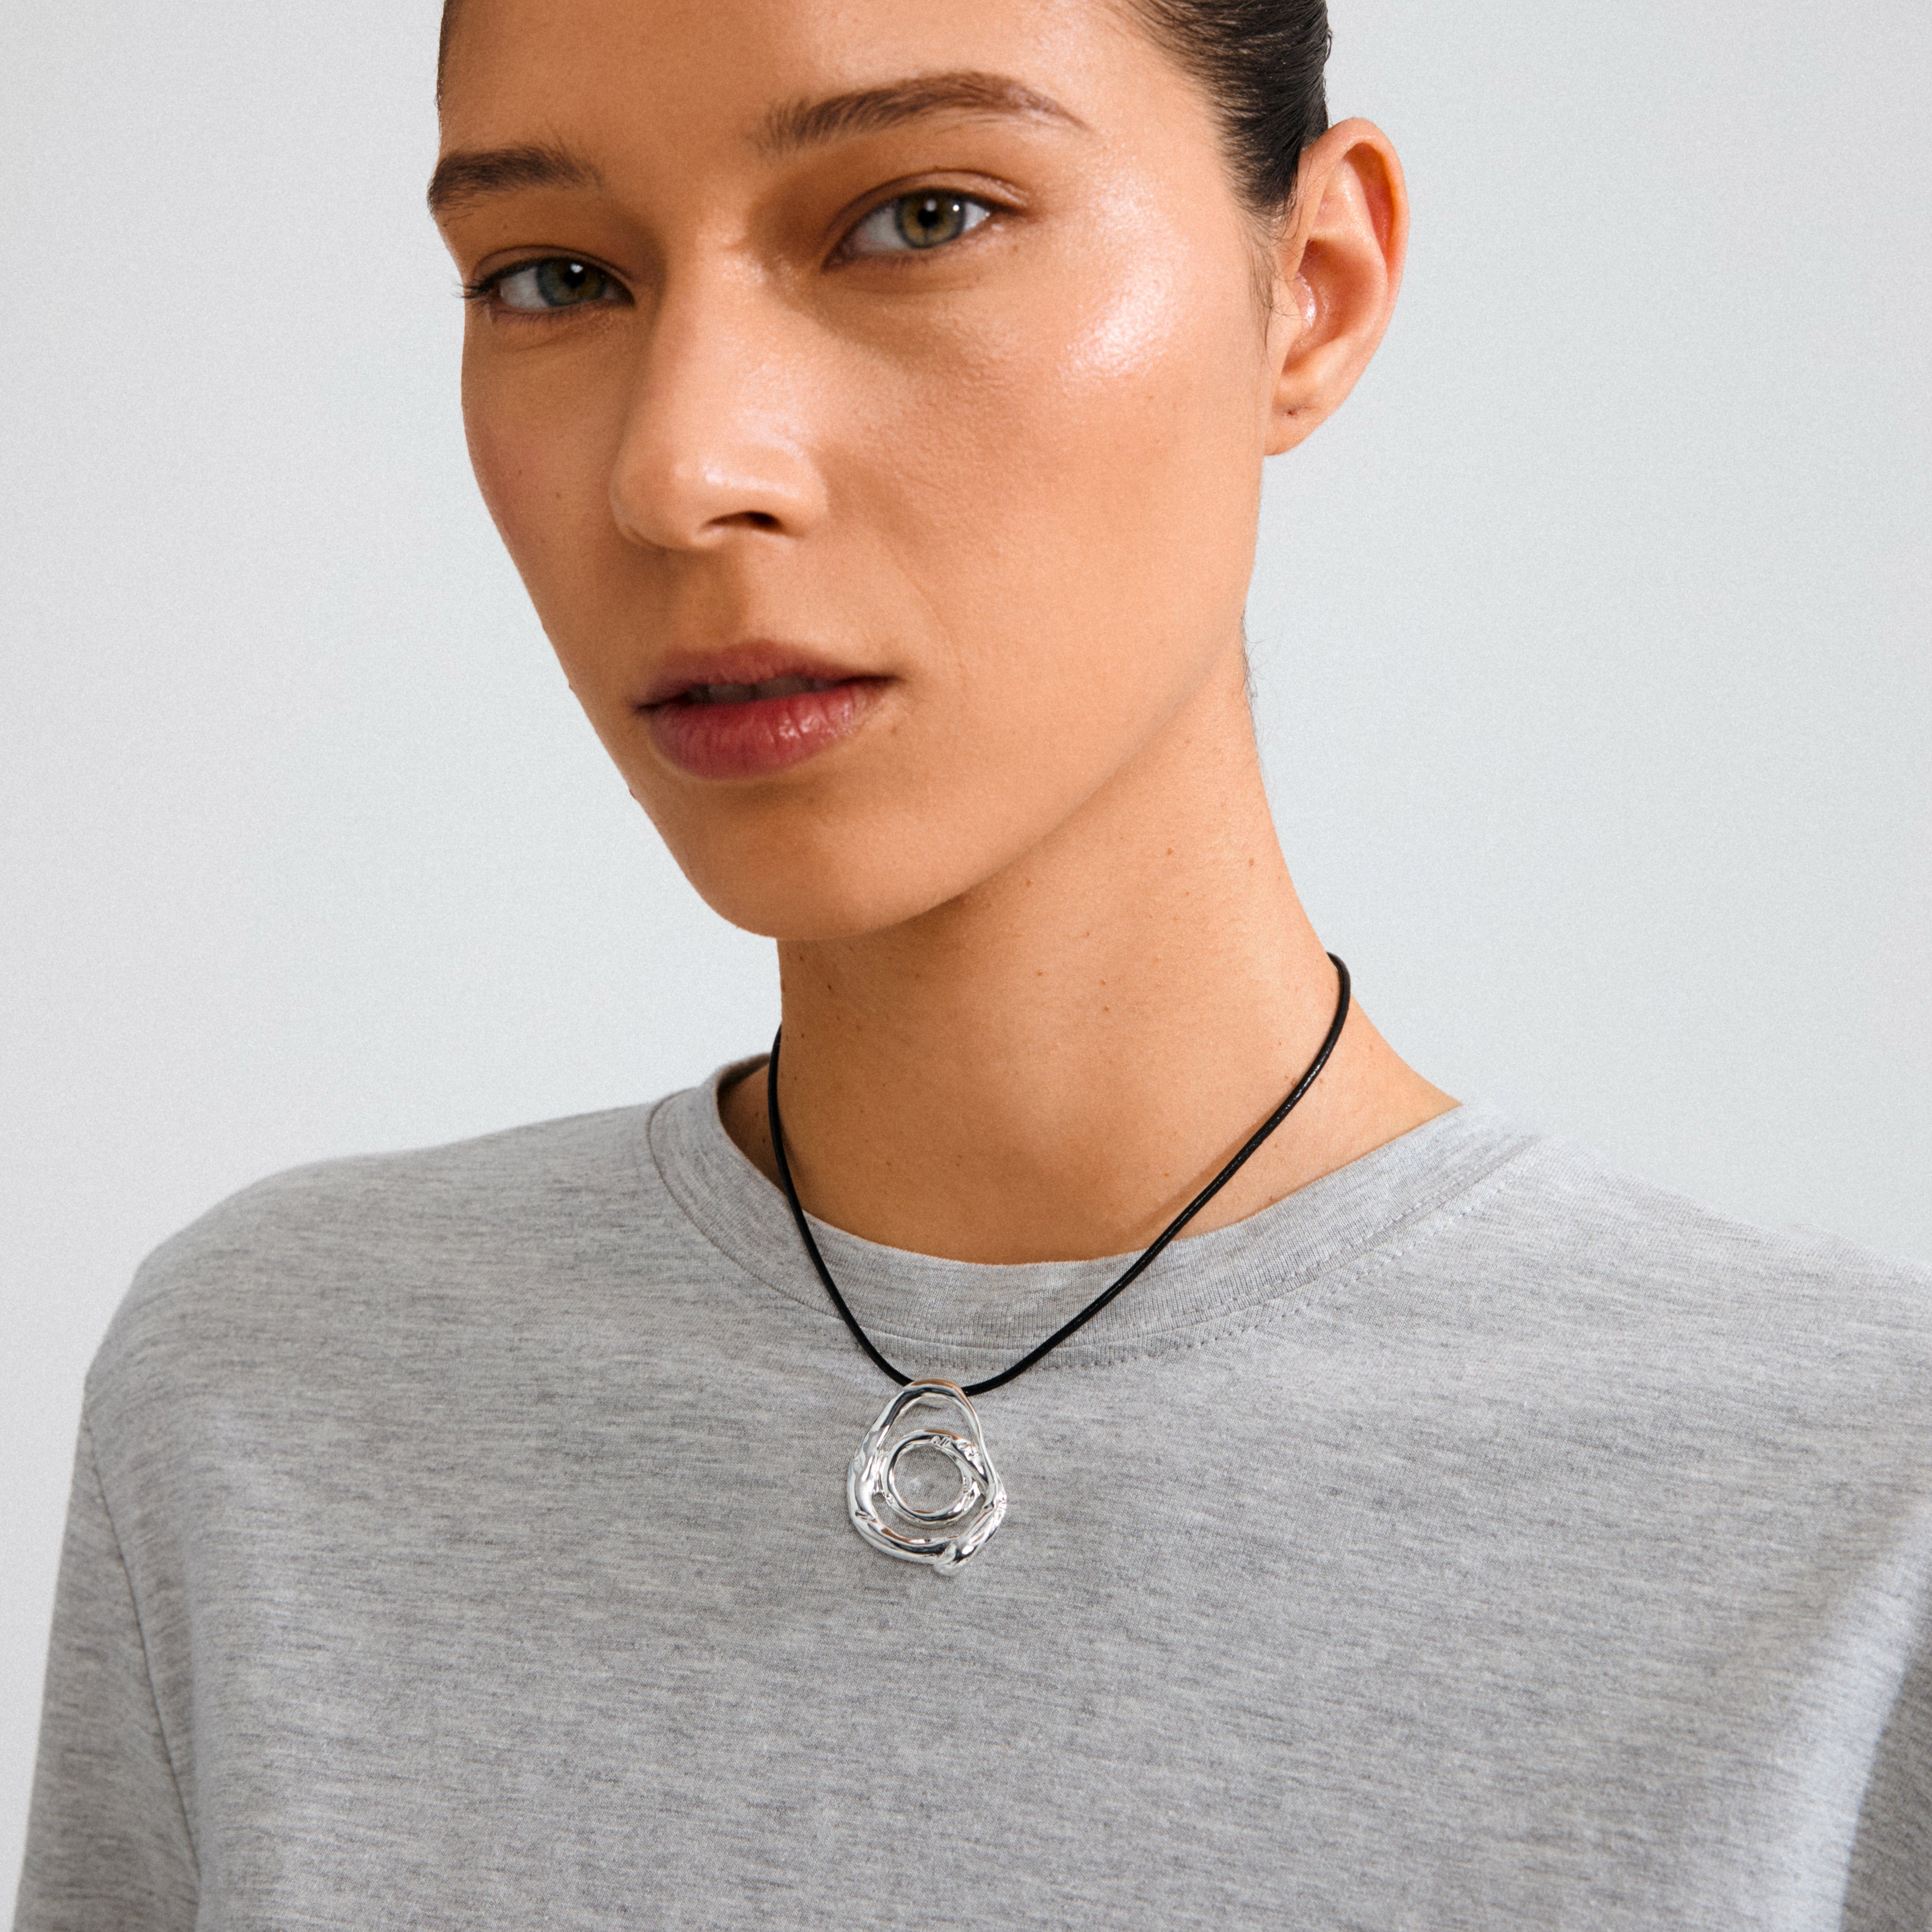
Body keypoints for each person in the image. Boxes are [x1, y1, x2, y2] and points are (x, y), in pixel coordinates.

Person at [15, 0, 1932, 1924]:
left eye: (919, 215)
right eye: (554, 273)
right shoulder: (271, 1413)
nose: (680, 469)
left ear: (1315, 288)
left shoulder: (1857, 1520)